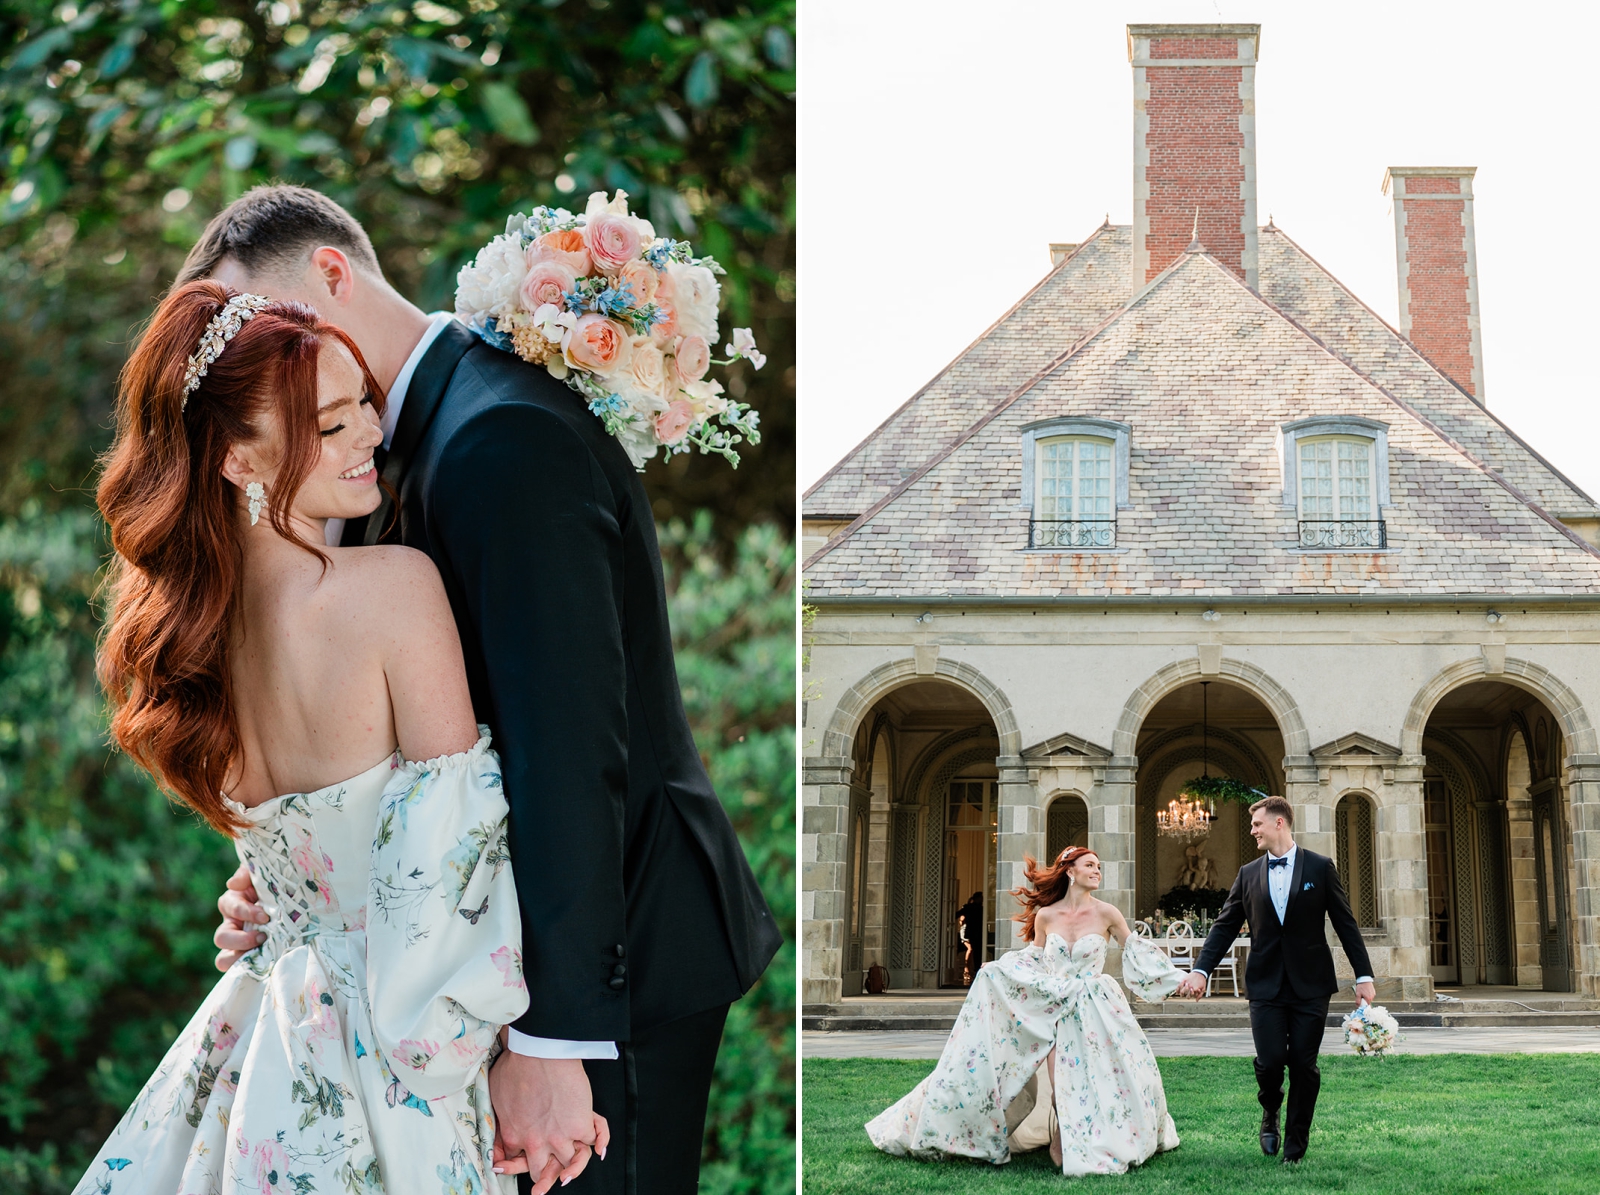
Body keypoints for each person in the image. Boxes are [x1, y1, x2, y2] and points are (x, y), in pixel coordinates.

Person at [190, 185, 780, 1194]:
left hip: (609, 960)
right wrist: (299, 880)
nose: (272, 350)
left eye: (281, 319)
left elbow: (567, 747)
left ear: (333, 274)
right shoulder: (386, 452)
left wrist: (556, 1041)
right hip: (484, 973)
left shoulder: (497, 434)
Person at [77, 283, 570, 1193]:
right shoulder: (393, 588)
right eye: (330, 425)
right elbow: (453, 870)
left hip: (259, 1044)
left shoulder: (182, 653)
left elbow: (286, 859)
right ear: (235, 459)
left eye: (364, 409)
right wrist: (526, 1061)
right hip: (394, 1050)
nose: (371, 438)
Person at [866, 847, 1184, 1176]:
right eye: (1090, 865)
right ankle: (1062, 1135)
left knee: (1106, 1073)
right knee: (1058, 1071)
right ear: (1070, 871)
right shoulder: (1046, 916)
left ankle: (1107, 1132)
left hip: (1096, 1005)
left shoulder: (1107, 913)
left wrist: (1178, 979)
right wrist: (996, 968)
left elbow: (1136, 950)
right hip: (1054, 1004)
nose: (1097, 871)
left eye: (1099, 866)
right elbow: (1034, 958)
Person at [1176, 795, 1376, 1164]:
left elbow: (1346, 924)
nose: (1252, 830)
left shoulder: (1320, 867)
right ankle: (1270, 1113)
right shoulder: (1248, 874)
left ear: (1279, 823)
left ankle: (1295, 1149)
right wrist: (1201, 970)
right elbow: (1224, 927)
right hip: (1265, 984)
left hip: (1311, 984)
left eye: (1257, 824)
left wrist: (1363, 975)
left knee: (1303, 1064)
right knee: (1269, 1062)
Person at [956, 891, 983, 984]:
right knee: (975, 952)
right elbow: (958, 916)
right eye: (981, 898)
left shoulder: (972, 907)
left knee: (977, 952)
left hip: (976, 933)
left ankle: (975, 971)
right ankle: (974, 970)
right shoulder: (971, 907)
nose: (982, 900)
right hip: (974, 933)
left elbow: (957, 914)